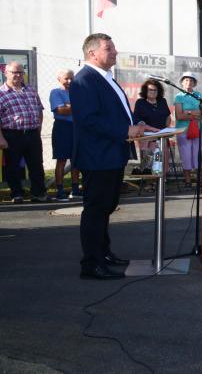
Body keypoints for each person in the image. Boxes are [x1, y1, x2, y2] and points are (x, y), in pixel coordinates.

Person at [71, 33, 147, 279]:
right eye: (109, 48)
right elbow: (88, 120)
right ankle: (91, 264)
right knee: (95, 209)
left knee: (106, 207)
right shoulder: (84, 80)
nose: (115, 51)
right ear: (93, 53)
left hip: (112, 154)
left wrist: (137, 124)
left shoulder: (106, 78)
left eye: (113, 47)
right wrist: (126, 130)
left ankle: (103, 253)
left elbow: (116, 114)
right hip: (97, 156)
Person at [0, 61, 47, 203]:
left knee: (36, 165)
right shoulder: (1, 93)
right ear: (5, 73)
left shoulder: (31, 90)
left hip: (32, 134)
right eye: (14, 72)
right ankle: (17, 194)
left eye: (21, 72)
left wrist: (38, 128)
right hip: (12, 135)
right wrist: (1, 139)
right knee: (12, 166)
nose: (18, 75)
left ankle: (38, 194)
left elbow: (39, 110)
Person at [50, 69, 81, 201]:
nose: (69, 81)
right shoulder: (55, 92)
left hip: (77, 128)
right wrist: (76, 106)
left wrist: (70, 106)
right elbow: (62, 110)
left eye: (71, 79)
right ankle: (60, 190)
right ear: (59, 78)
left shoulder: (77, 92)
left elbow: (75, 108)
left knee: (76, 160)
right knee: (61, 160)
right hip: (62, 127)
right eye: (66, 78)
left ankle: (75, 189)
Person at [133, 79, 172, 176]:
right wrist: (151, 129)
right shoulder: (140, 102)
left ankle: (162, 182)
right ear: (145, 91)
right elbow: (138, 121)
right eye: (150, 90)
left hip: (162, 136)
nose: (153, 92)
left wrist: (166, 128)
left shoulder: (162, 101)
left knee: (163, 161)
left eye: (155, 90)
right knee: (149, 163)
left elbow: (167, 116)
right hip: (147, 137)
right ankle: (149, 183)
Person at [173, 72, 202, 188]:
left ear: (194, 83)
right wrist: (194, 113)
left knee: (197, 154)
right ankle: (187, 180)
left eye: (191, 81)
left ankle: (198, 179)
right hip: (183, 130)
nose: (188, 82)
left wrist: (187, 112)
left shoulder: (198, 95)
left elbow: (201, 113)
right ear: (182, 82)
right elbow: (179, 116)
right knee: (185, 155)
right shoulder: (178, 97)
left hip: (197, 128)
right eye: (186, 80)